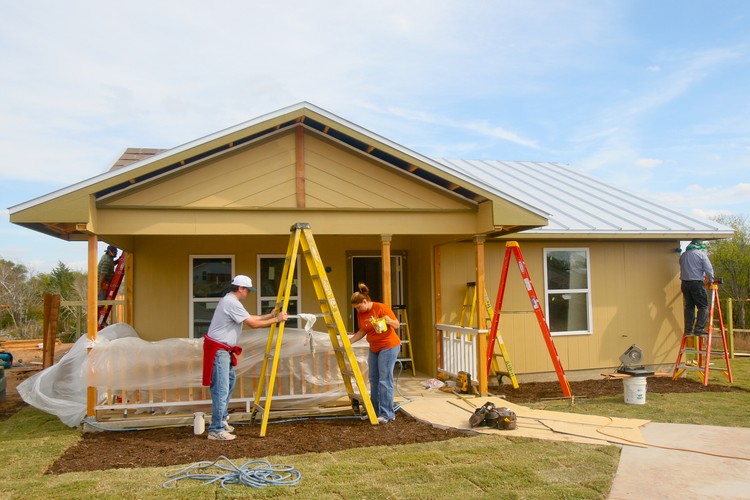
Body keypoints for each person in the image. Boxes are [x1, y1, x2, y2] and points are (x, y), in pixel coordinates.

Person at [201, 274, 288, 440]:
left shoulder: (231, 301)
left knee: (229, 384)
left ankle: (221, 420)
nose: (248, 293)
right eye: (248, 290)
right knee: (221, 389)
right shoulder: (231, 302)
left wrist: (270, 316)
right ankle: (216, 429)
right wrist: (277, 319)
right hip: (219, 350)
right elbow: (253, 324)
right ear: (240, 288)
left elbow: (249, 318)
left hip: (224, 350)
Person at [348, 283, 402, 424]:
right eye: (356, 309)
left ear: (365, 301)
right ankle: (374, 412)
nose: (358, 310)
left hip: (389, 346)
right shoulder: (361, 313)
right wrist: (349, 342)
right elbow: (363, 331)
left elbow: (397, 324)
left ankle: (387, 414)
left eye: (359, 307)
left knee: (385, 379)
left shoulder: (381, 308)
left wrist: (388, 320)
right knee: (373, 378)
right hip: (374, 347)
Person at [679, 239, 714, 336]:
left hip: (685, 283)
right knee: (703, 307)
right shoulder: (701, 255)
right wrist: (711, 280)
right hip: (696, 283)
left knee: (689, 307)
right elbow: (708, 269)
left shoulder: (683, 255)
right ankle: (699, 329)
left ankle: (688, 329)